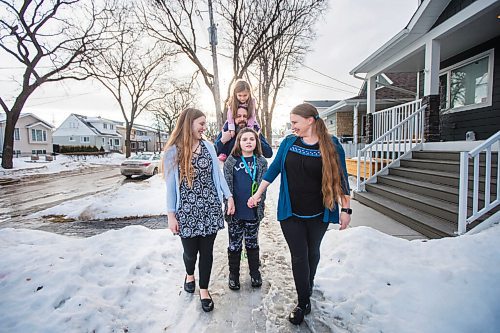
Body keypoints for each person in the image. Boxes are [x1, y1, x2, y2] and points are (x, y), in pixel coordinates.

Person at [248, 103, 351, 325]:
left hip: (319, 211)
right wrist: (258, 194)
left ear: (310, 121)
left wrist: (346, 209)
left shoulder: (332, 145)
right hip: (291, 212)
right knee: (299, 255)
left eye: (295, 122)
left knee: (312, 252)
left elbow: (342, 178)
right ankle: (303, 301)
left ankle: (308, 284)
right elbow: (274, 169)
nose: (292, 126)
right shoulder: (288, 143)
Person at [163, 108, 235, 313]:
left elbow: (218, 175)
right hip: (186, 209)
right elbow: (170, 186)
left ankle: (204, 289)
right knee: (190, 252)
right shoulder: (173, 151)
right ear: (189, 124)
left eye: (205, 124)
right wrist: (171, 215)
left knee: (207, 252)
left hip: (210, 207)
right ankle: (189, 274)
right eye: (201, 124)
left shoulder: (209, 147)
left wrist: (228, 196)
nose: (204, 127)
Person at [223, 128, 268, 291]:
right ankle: (233, 275)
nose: (248, 142)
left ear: (256, 142)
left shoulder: (261, 161)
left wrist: (259, 199)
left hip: (253, 211)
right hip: (235, 211)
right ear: (239, 142)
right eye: (244, 139)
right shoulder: (231, 161)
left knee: (252, 242)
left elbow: (264, 185)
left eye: (252, 139)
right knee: (234, 245)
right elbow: (226, 186)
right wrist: (229, 203)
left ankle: (255, 273)